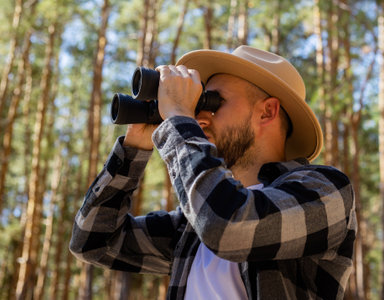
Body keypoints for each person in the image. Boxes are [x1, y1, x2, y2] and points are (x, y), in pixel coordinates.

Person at [70, 45, 356, 299]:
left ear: (267, 112)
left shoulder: (325, 190)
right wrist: (135, 147)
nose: (200, 117)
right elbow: (93, 241)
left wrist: (180, 118)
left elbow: (227, 226)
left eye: (212, 103)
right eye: (198, 105)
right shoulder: (192, 225)